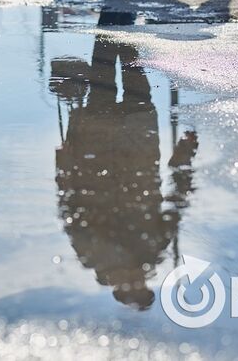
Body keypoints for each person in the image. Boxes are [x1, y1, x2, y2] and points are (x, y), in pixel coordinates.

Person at [49, 22, 199, 309]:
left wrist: (64, 161)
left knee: (103, 66)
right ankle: (120, 16)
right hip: (137, 139)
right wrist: (185, 154)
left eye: (131, 286)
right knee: (132, 66)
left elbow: (68, 203)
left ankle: (111, 13)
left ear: (117, 286)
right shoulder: (153, 249)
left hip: (97, 140)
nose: (135, 279)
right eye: (140, 285)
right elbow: (177, 198)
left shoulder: (91, 255)